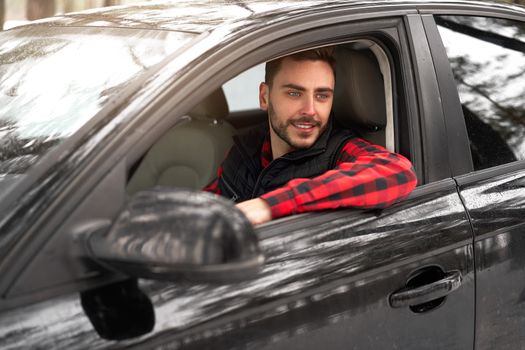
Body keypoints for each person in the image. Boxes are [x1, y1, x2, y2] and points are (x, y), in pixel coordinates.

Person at [204, 48, 417, 225]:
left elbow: (397, 172)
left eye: (322, 96)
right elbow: (208, 203)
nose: (311, 110)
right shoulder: (246, 148)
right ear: (264, 97)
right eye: (295, 93)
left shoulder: (339, 151)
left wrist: (269, 206)